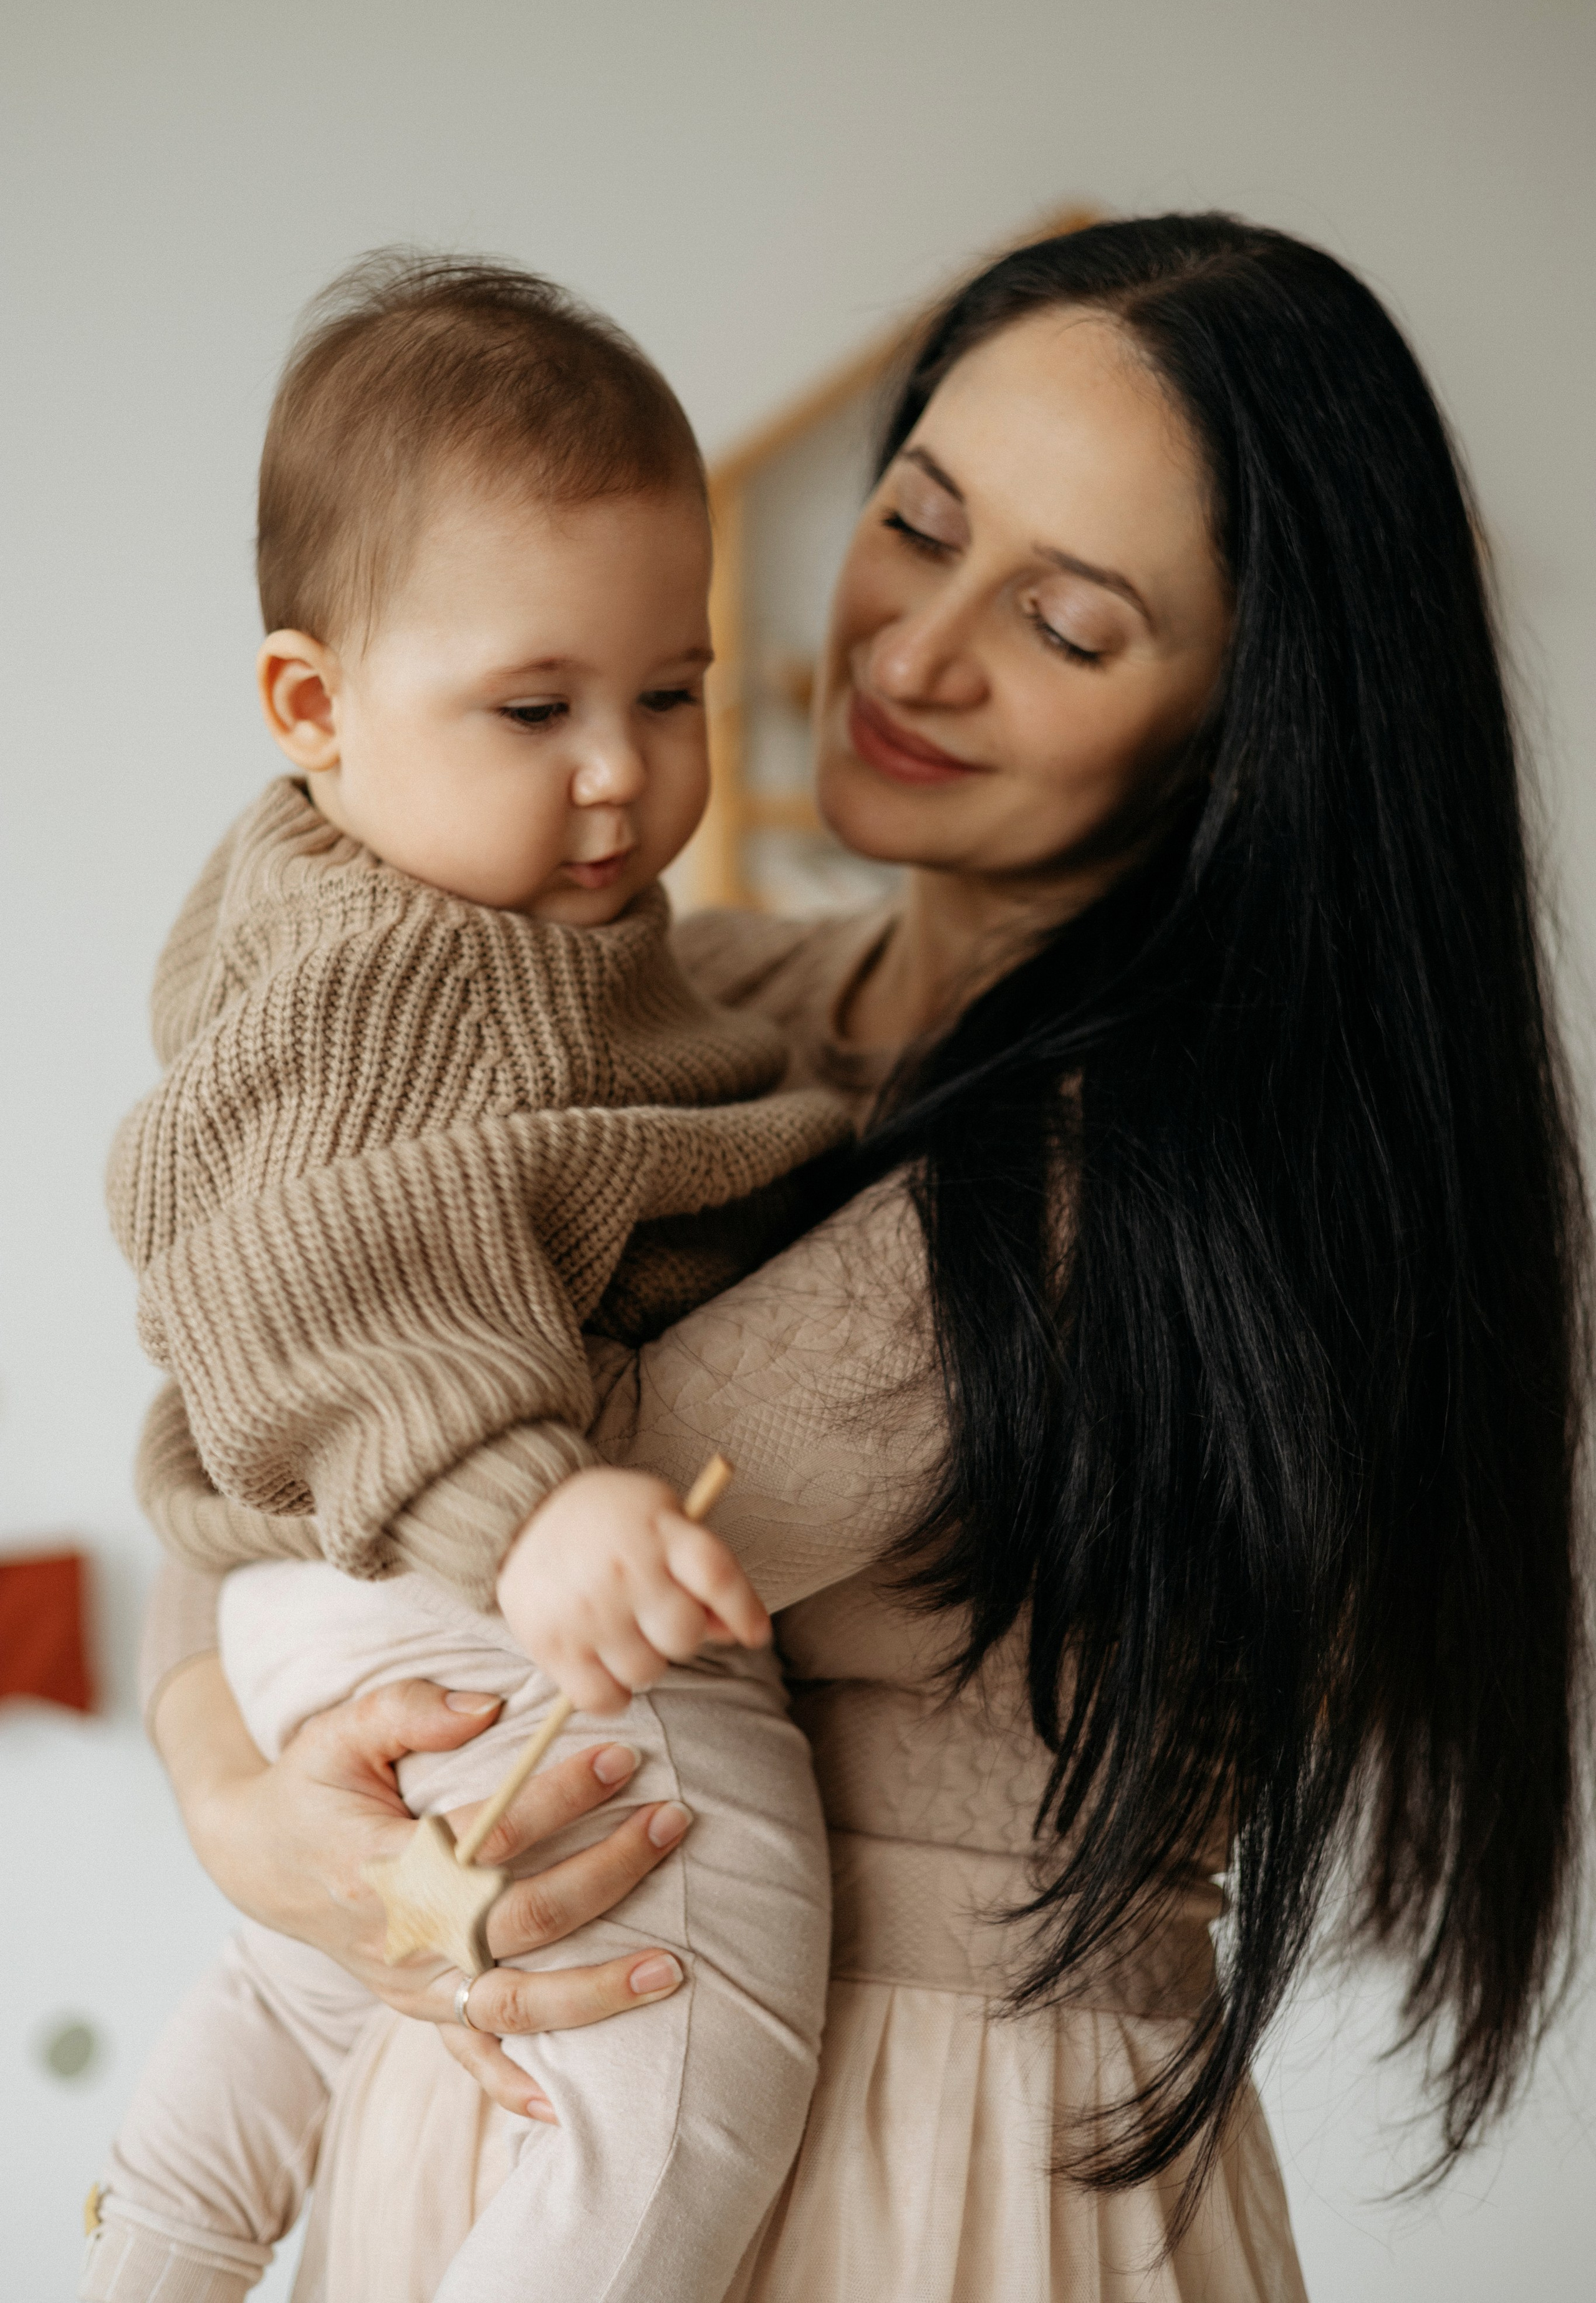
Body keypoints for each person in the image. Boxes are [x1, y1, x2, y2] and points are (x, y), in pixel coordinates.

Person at [134, 214, 1589, 2302]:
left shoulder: (1154, 1178)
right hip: (534, 2071)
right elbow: (280, 1299)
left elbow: (361, 1402)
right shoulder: (680, 999)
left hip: (941, 2168)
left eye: (1068, 625)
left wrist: (270, 1696)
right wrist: (228, 1802)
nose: (912, 653)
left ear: (1248, 726)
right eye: (917, 522)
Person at [84, 254, 852, 2303]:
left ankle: (156, 2248)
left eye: (668, 692)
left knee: (320, 1977)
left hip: (305, 1602)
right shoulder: (440, 967)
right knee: (703, 2003)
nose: (620, 771)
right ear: (314, 706)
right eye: (537, 709)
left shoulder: (332, 894)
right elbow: (346, 1274)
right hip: (460, 1566)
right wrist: (540, 1499)